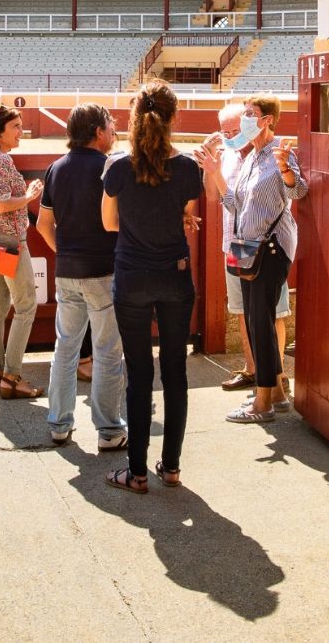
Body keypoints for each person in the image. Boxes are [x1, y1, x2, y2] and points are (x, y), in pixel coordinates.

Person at [101, 81, 202, 493]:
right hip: (174, 276)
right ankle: (172, 467)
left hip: (132, 277)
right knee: (175, 372)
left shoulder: (118, 167)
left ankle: (137, 471)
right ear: (174, 118)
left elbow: (109, 223)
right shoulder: (189, 168)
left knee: (139, 374)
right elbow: (184, 216)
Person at [197, 94, 307, 422]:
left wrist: (287, 167)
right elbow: (234, 204)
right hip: (248, 246)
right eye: (245, 112)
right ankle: (274, 393)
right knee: (253, 319)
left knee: (261, 322)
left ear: (267, 119)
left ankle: (263, 404)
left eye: (251, 113)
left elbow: (298, 191)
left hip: (271, 247)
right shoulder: (250, 159)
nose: (246, 118)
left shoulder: (277, 155)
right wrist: (214, 171)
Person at [36, 104, 127, 450]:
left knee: (66, 348)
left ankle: (59, 423)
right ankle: (108, 430)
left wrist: (66, 253)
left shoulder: (56, 168)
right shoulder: (110, 166)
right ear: (97, 132)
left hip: (68, 272)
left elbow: (44, 225)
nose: (114, 132)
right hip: (103, 270)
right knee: (106, 351)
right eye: (110, 127)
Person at [0, 103, 44, 399]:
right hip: (8, 239)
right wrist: (28, 196)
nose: (21, 131)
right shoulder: (1, 161)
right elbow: (2, 204)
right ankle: (12, 377)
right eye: (15, 126)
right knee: (25, 306)